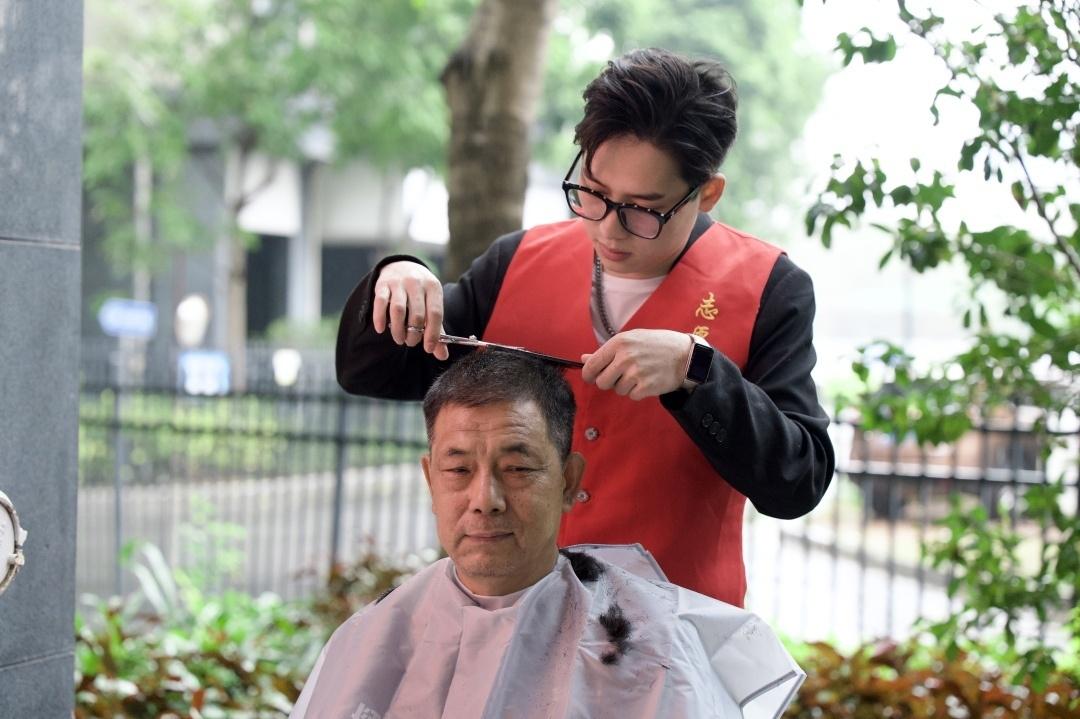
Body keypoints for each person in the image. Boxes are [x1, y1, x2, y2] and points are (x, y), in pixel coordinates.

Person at [336, 47, 835, 606]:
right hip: (510, 617)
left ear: (707, 194)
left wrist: (698, 371)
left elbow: (798, 482)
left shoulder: (769, 288)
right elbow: (370, 372)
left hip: (677, 625)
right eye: (594, 193)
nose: (609, 230)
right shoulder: (516, 263)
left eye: (643, 208)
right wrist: (396, 276)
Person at [290, 352, 804, 719]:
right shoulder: (372, 636)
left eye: (517, 468)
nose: (485, 498)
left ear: (569, 482)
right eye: (458, 469)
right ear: (431, 481)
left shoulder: (651, 644)